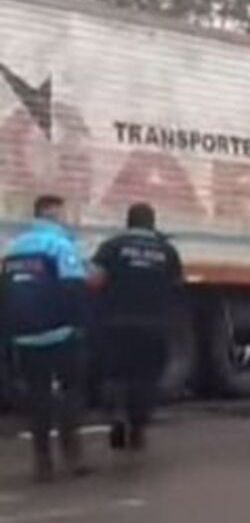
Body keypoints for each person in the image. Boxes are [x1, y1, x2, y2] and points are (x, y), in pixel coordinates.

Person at [0, 195, 90, 481]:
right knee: (70, 391)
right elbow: (74, 288)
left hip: (25, 336)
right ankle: (72, 457)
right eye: (61, 213)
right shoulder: (61, 246)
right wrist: (80, 325)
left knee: (38, 397)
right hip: (59, 333)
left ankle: (42, 462)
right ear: (52, 214)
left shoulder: (12, 248)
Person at [91, 203, 184, 452]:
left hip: (115, 323)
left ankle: (116, 415)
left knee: (115, 375)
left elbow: (94, 280)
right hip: (153, 325)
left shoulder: (111, 247)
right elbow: (176, 287)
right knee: (146, 377)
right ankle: (138, 428)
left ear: (128, 222)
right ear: (152, 223)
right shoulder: (167, 251)